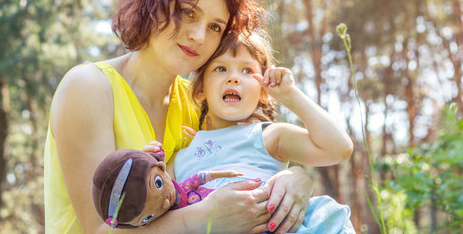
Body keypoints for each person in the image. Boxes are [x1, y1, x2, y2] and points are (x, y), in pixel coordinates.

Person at [44, 0, 314, 234]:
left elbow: (251, 160)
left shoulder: (200, 102)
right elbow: (98, 229)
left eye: (215, 27)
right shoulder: (88, 87)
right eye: (188, 13)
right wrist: (201, 218)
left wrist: (297, 180)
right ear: (153, 4)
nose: (198, 36)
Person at [146, 30, 355, 233]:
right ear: (200, 89)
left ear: (263, 91)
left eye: (247, 70)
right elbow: (151, 205)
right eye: (220, 68)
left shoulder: (267, 136)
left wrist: (290, 96)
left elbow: (339, 149)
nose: (234, 78)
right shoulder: (180, 158)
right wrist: (145, 163)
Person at [91, 149, 242, 228]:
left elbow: (202, 177)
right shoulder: (167, 223)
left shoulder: (185, 188)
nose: (165, 204)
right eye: (147, 218)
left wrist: (228, 174)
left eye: (157, 183)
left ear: (161, 167)